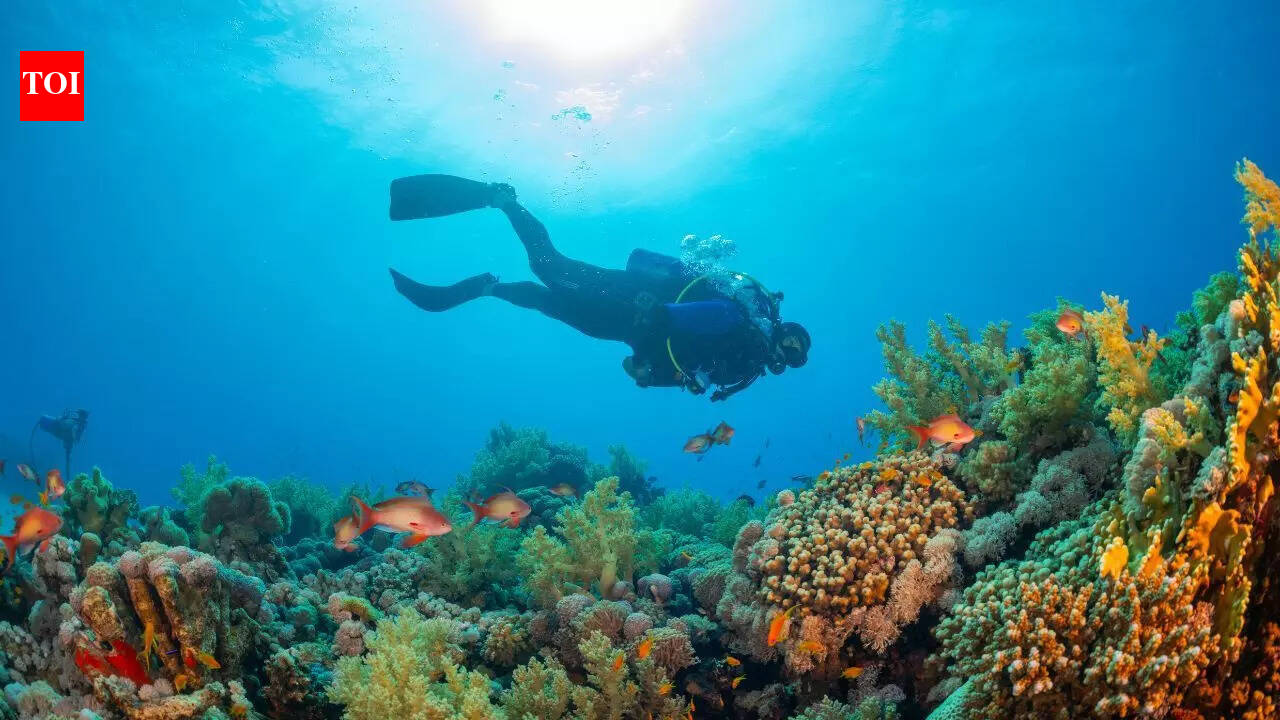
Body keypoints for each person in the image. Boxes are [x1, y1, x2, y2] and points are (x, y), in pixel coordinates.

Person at [386, 175, 810, 401]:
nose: (787, 354)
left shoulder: (745, 368)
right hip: (637, 301)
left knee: (548, 301)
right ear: (783, 329)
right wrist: (665, 314)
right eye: (792, 343)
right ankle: (505, 199)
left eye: (794, 356)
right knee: (548, 266)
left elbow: (688, 370)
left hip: (630, 328)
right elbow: (719, 314)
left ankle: (487, 287)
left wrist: (646, 374)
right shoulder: (748, 326)